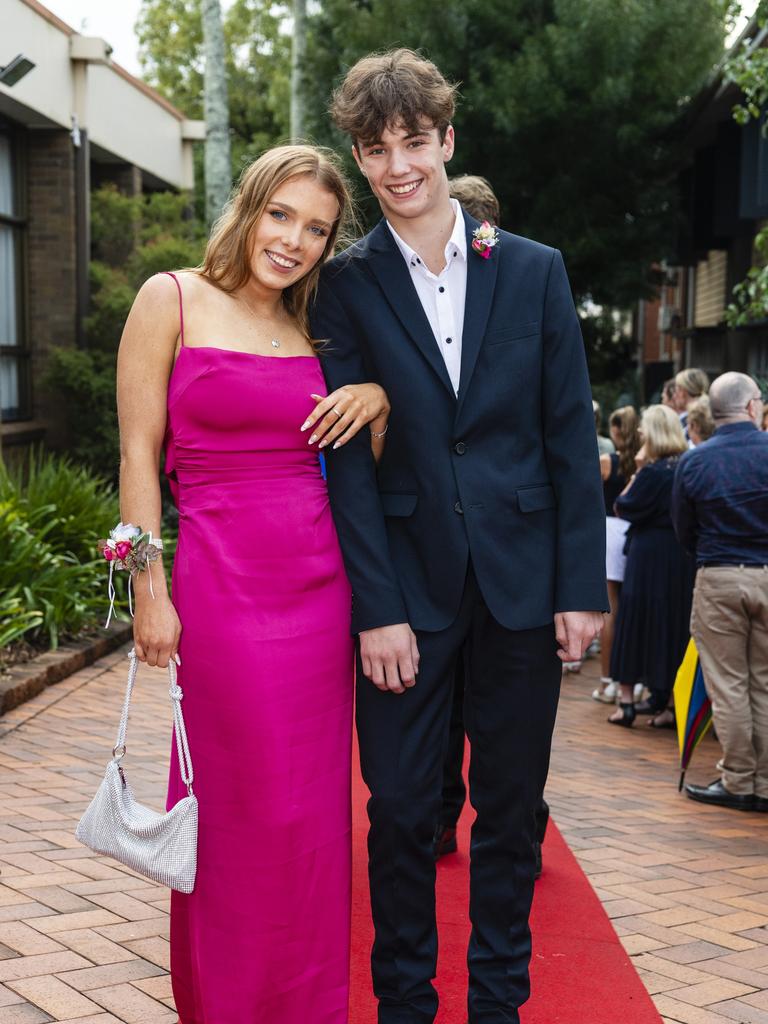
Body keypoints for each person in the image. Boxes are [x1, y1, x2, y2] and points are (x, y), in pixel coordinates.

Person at [311, 49, 606, 1024]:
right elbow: (347, 462)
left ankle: (496, 1004)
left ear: (447, 139)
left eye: (412, 142)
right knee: (398, 811)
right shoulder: (345, 286)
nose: (397, 166)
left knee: (512, 813)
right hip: (408, 592)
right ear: (359, 157)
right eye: (374, 147)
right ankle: (404, 1001)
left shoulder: (532, 270)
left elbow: (569, 434)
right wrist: (377, 610)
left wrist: (581, 587)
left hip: (524, 586)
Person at [116, 144, 391, 1022]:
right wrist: (145, 589)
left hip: (319, 591)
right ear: (249, 207)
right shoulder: (172, 298)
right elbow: (136, 453)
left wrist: (377, 399)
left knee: (309, 819)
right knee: (237, 809)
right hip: (219, 588)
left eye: (316, 229)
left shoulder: (322, 328)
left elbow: (363, 461)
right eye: (283, 215)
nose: (295, 241)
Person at [432, 174, 549, 876]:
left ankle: (516, 820)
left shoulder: (528, 274)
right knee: (447, 709)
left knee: (505, 717)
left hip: (515, 559)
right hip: (434, 558)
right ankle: (448, 814)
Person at [672, 372, 768, 811]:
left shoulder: (695, 461)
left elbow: (683, 529)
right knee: (763, 682)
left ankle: (739, 778)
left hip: (718, 573)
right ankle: (763, 782)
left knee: (728, 684)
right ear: (752, 407)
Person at [608, 405, 695, 728]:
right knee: (673, 624)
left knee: (636, 620)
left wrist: (636, 473)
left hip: (647, 556)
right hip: (678, 555)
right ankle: (670, 703)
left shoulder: (652, 471)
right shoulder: (685, 466)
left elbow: (623, 506)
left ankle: (626, 701)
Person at [592, 406, 640, 704]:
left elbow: (588, 497)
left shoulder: (607, 462)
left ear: (617, 431)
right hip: (634, 532)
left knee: (611, 608)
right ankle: (631, 678)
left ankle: (608, 677)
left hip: (610, 531)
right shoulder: (642, 461)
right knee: (630, 606)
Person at [675, 367, 709, 440]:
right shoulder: (711, 415)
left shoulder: (684, 422)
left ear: (682, 392)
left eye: (677, 389)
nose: (675, 395)